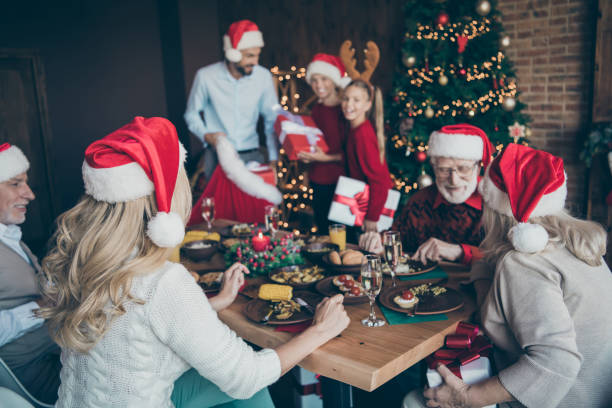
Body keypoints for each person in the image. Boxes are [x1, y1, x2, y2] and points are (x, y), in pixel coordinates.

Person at [38, 117, 350, 408]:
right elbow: (246, 377)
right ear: (165, 200)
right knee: (251, 388)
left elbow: (135, 328)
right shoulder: (162, 280)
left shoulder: (79, 260)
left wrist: (211, 305)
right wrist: (320, 331)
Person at [417, 144, 612, 408]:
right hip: (594, 395)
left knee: (416, 397)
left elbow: (557, 363)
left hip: (560, 400)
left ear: (494, 206)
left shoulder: (524, 263)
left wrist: (466, 397)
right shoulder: (578, 244)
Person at [360, 124, 493, 265]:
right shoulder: (420, 201)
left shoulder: (495, 203)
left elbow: (504, 257)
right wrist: (377, 241)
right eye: (444, 169)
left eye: (464, 169)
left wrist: (459, 251)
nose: (454, 180)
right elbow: (396, 238)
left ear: (478, 168)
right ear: (434, 168)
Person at [0, 143, 61, 404]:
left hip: (57, 350)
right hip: (36, 372)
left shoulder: (10, 236)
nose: (29, 194)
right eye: (15, 184)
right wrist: (41, 307)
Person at [184, 19, 279, 180]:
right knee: (220, 205)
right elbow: (191, 115)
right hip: (216, 157)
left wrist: (273, 159)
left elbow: (271, 119)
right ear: (232, 53)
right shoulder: (206, 76)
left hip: (252, 156)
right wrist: (207, 136)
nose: (255, 62)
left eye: (257, 56)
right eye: (250, 56)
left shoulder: (263, 76)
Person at [298, 53, 349, 234]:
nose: (318, 85)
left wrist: (325, 158)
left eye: (324, 79)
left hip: (341, 182)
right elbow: (315, 142)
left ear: (334, 80)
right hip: (317, 180)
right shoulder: (317, 110)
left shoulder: (346, 109)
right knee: (322, 231)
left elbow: (351, 153)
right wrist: (306, 157)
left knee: (343, 235)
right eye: (314, 80)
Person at [342, 79, 392, 235]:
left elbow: (381, 181)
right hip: (358, 204)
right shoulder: (354, 130)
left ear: (368, 105)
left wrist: (372, 217)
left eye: (356, 100)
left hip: (367, 211)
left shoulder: (363, 135)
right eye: (346, 98)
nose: (349, 104)